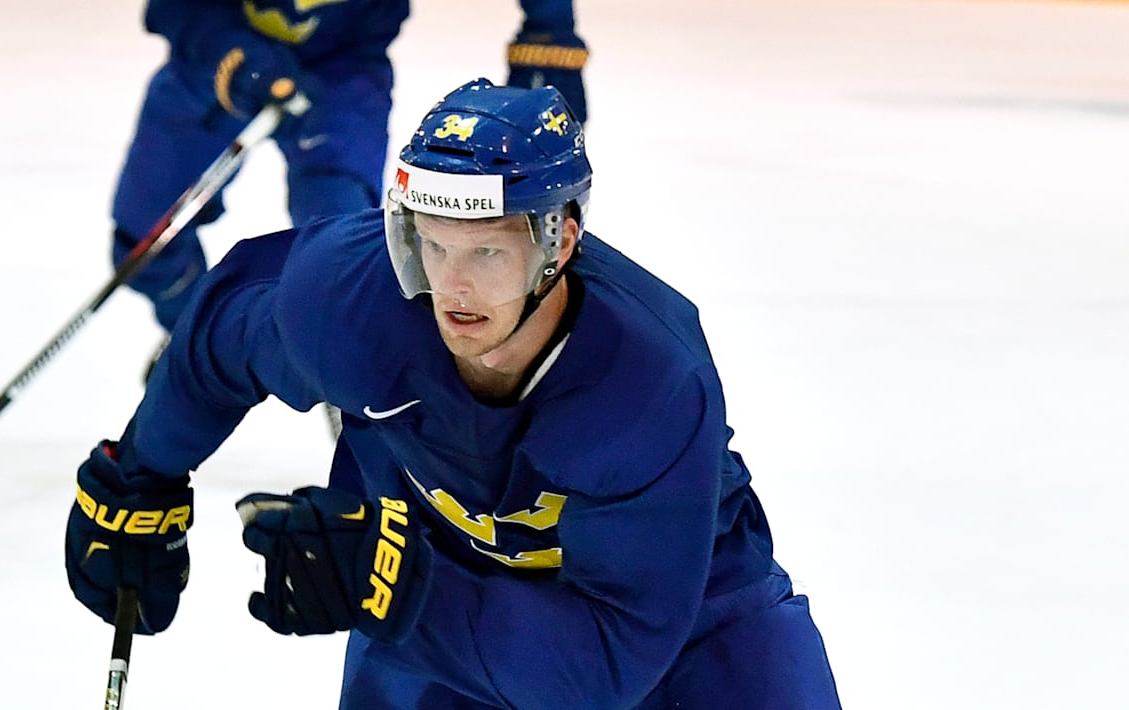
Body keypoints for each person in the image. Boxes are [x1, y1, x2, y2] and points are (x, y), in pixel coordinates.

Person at [65, 79, 841, 708]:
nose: (454, 286)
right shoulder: (353, 300)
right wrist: (143, 474)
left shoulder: (647, 384)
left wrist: (394, 586)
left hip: (686, 620)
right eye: (431, 245)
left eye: (487, 253)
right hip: (435, 588)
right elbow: (223, 338)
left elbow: (607, 662)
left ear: (560, 243)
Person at [112, 0, 590, 340]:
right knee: (146, 243)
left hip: (345, 65)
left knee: (340, 250)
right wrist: (231, 56)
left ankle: (350, 381)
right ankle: (197, 339)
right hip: (216, 55)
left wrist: (549, 30)